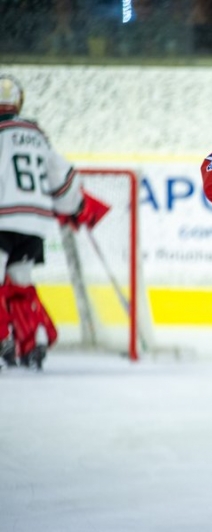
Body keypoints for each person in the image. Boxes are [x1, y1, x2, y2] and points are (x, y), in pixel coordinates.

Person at [0, 74, 108, 369]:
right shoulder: (35, 133)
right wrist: (75, 206)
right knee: (21, 283)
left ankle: (4, 339)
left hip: (3, 218)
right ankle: (35, 339)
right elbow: (63, 179)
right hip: (35, 222)